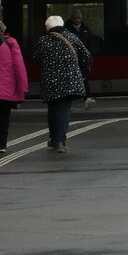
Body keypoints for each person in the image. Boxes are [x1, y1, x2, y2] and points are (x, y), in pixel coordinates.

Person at [32, 15, 92, 153]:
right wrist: (82, 74)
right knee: (63, 111)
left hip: (50, 83)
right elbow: (87, 57)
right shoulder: (72, 38)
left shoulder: (43, 41)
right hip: (70, 82)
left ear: (48, 28)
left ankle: (54, 139)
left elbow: (36, 59)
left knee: (53, 111)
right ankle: (59, 141)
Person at [0, 19, 29, 154]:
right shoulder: (11, 44)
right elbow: (19, 68)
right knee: (4, 117)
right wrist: (22, 89)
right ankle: (2, 145)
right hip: (6, 91)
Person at [65, 9, 100, 108]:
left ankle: (86, 97)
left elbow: (91, 44)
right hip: (71, 58)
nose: (77, 20)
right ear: (72, 19)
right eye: (75, 18)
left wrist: (90, 55)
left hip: (83, 58)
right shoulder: (67, 30)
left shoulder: (86, 30)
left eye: (78, 18)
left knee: (82, 77)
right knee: (79, 78)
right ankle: (86, 97)